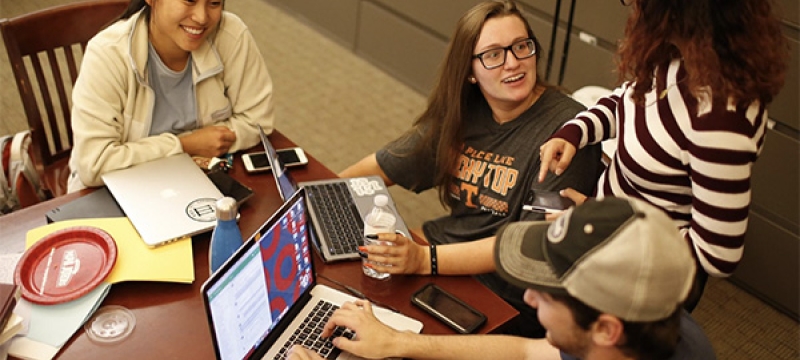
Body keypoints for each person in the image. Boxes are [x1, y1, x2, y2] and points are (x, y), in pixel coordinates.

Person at [339, 0, 601, 335]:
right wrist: (317, 193)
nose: (513, 63)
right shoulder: (466, 111)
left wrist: (423, 260)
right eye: (493, 54)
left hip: (506, 296)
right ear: (469, 71)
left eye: (522, 46)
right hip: (439, 255)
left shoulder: (566, 131)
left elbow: (528, 244)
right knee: (341, 299)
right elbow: (382, 167)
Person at [537, 0, 788, 311]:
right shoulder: (678, 58)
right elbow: (627, 101)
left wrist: (602, 225)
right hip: (605, 237)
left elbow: (717, 255)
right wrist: (574, 132)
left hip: (640, 278)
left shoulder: (720, 119)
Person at [287, 197, 717, 360]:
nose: (528, 298)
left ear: (606, 328)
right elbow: (533, 352)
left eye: (548, 294)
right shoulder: (648, 323)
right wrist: (399, 343)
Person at [67, 0, 275, 192]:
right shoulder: (107, 54)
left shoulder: (230, 34)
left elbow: (257, 120)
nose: (202, 17)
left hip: (197, 180)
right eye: (189, 0)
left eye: (213, 3)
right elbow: (94, 164)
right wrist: (186, 145)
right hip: (115, 190)